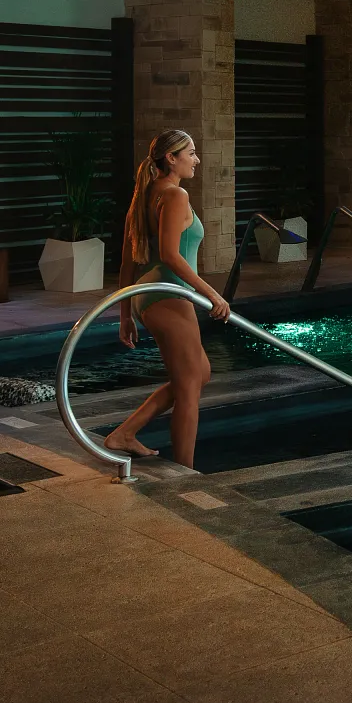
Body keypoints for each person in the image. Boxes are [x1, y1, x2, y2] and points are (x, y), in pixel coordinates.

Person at [103, 128, 230, 467]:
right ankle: (185, 473)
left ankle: (125, 433)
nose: (196, 159)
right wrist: (212, 293)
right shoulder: (175, 196)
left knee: (198, 373)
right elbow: (171, 256)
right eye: (190, 153)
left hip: (149, 295)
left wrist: (127, 315)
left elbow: (128, 262)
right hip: (169, 294)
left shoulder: (143, 196)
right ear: (171, 158)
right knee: (190, 387)